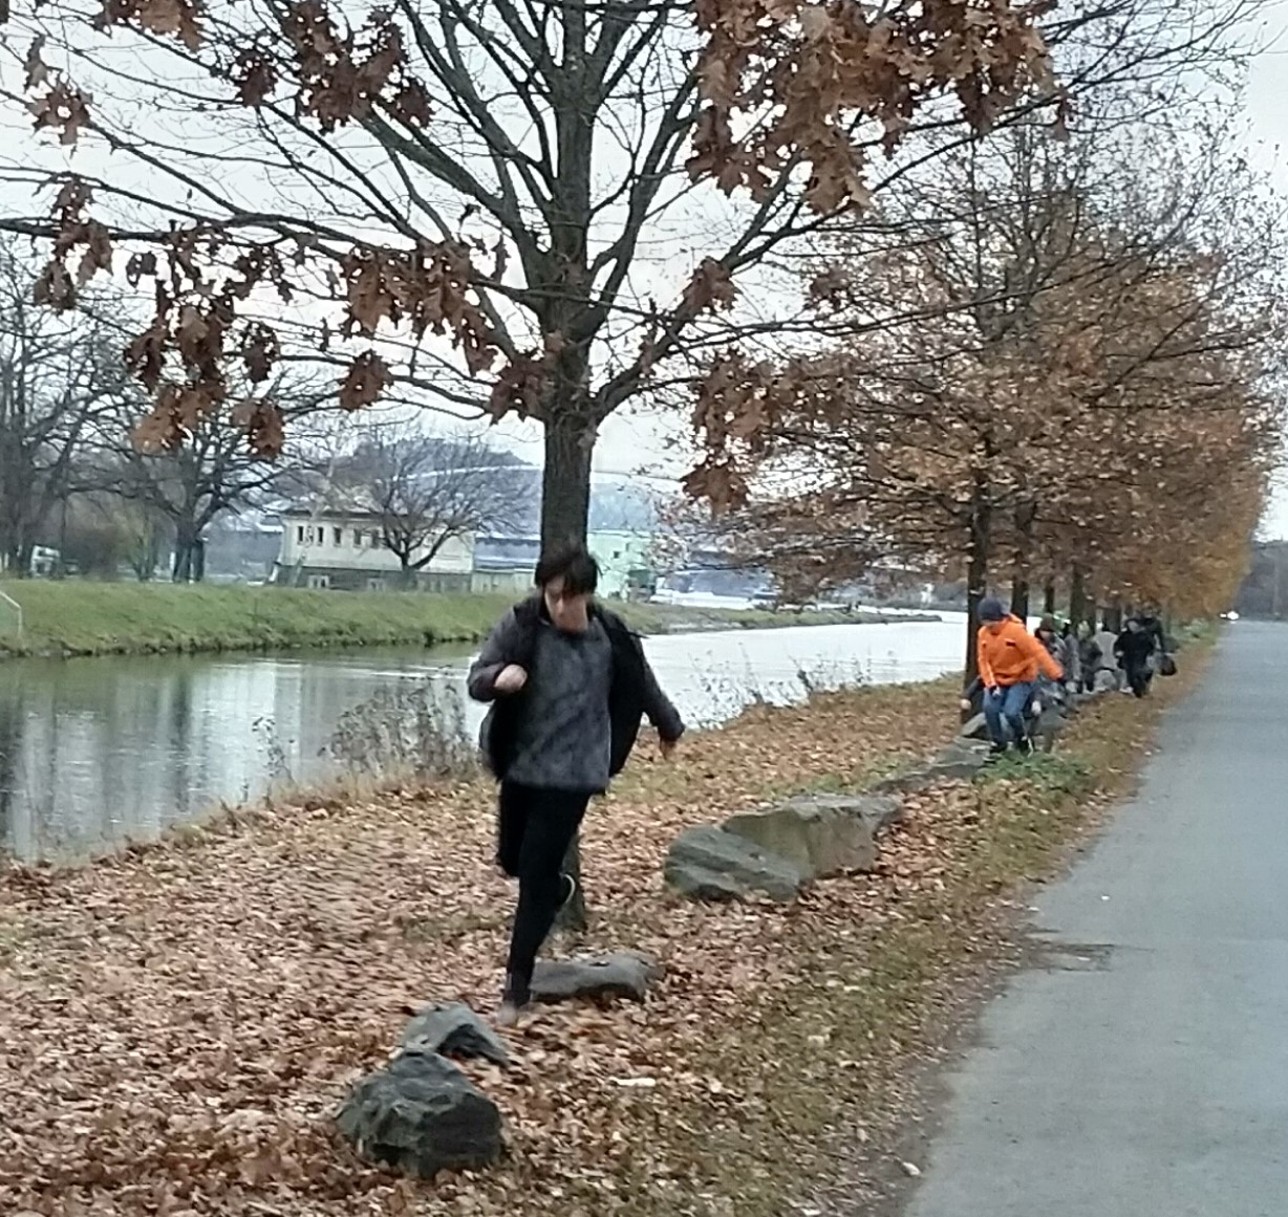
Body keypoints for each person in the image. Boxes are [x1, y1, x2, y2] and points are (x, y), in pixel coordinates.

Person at [468, 544, 684, 1026]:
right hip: (521, 765)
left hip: (575, 773)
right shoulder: (522, 625)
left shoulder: (611, 636)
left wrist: (669, 725)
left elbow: (643, 685)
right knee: (512, 861)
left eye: (570, 597)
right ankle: (556, 889)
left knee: (534, 873)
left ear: (588, 595)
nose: (561, 606)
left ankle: (516, 987)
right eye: (553, 596)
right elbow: (476, 679)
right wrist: (498, 677)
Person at [967, 597, 1063, 757]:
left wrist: (1056, 674)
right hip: (997, 679)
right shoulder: (983, 634)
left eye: (991, 622)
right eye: (984, 622)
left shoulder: (1016, 632)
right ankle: (998, 743)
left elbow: (1037, 651)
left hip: (1021, 678)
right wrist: (991, 684)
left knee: (1011, 712)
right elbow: (983, 661)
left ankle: (1022, 739)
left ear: (999, 618)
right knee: (990, 708)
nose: (988, 626)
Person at [1114, 610, 1165, 698]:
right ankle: (1136, 690)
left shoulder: (1144, 635)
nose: (1132, 627)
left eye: (1133, 625)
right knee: (1130, 675)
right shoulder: (1124, 635)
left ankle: (1140, 690)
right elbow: (1117, 644)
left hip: (1141, 657)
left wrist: (1151, 653)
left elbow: (1151, 644)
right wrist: (1118, 651)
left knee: (1137, 673)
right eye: (1130, 625)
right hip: (1127, 657)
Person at [1077, 622, 1104, 693]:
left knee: (1089, 687)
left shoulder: (1092, 643)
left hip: (1089, 669)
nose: (1080, 634)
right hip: (1079, 669)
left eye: (1082, 632)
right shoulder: (1075, 643)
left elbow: (1099, 654)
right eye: (1079, 631)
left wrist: (1093, 668)